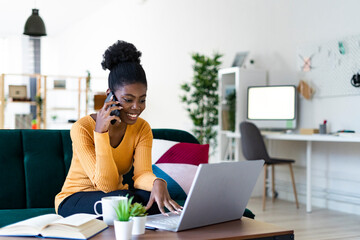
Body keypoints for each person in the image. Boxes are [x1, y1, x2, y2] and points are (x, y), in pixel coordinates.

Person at [55, 40, 181, 217]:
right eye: (128, 99)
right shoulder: (82, 128)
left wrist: (157, 182)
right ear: (110, 95)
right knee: (124, 201)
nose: (136, 107)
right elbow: (106, 185)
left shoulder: (142, 128)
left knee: (150, 198)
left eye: (142, 99)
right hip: (74, 198)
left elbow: (142, 174)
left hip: (117, 195)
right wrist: (101, 133)